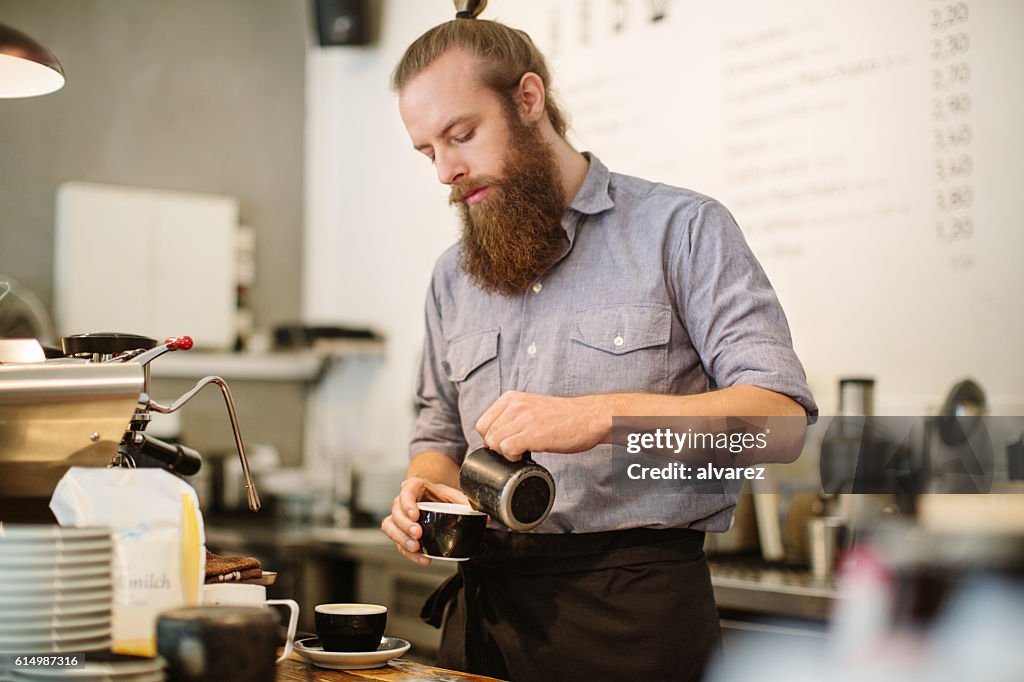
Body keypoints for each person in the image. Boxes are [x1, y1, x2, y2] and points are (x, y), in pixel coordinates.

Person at [380, 12, 817, 682]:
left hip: (635, 622)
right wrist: (423, 490)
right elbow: (439, 433)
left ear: (528, 100)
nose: (446, 172)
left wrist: (596, 418)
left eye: (462, 135)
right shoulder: (452, 274)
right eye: (427, 152)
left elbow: (779, 426)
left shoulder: (683, 231)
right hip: (484, 618)